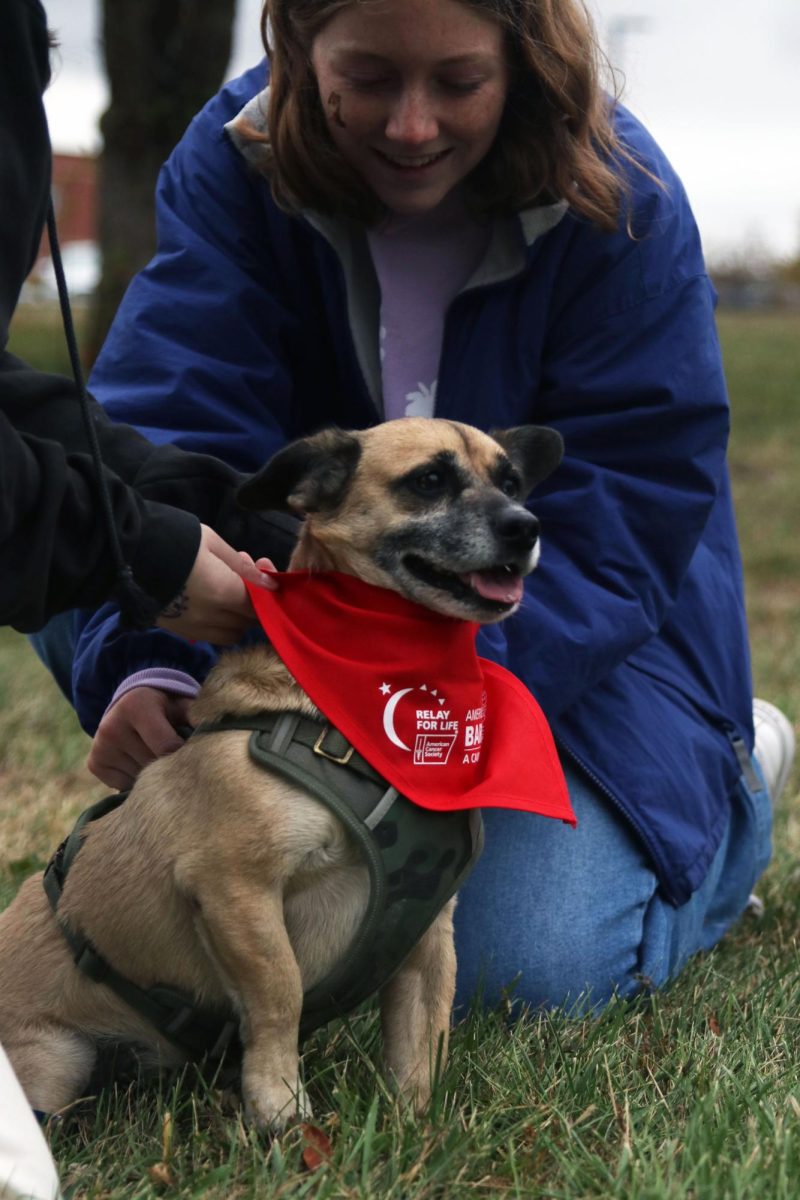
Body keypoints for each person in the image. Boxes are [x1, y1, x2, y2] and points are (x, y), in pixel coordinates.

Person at [38, 0, 797, 1015]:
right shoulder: (234, 160)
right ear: (299, 49)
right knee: (69, 538)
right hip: (307, 638)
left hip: (579, 636)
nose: (408, 124)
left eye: (456, 82)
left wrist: (422, 697)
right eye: (368, 75)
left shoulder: (623, 193)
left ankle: (732, 790)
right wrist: (153, 664)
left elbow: (634, 498)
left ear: (525, 65)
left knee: (518, 966)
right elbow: (162, 437)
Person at [1, 2, 292, 1194]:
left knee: (509, 942)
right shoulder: (228, 160)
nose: (411, 121)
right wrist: (144, 575)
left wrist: (205, 521)